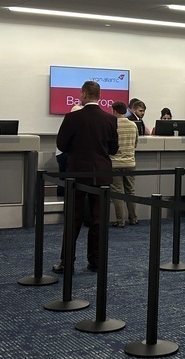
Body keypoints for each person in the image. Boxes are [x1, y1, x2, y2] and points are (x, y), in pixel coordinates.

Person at [55, 81, 119, 272]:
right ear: (99, 96)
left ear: (83, 95)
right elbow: (114, 149)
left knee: (73, 220)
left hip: (77, 174)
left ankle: (67, 263)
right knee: (99, 221)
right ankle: (96, 261)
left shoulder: (72, 118)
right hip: (102, 174)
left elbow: (62, 145)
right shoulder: (110, 119)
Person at [110, 101, 139, 227]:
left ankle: (120, 221)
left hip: (115, 163)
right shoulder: (133, 125)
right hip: (130, 162)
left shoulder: (111, 125)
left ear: (115, 111)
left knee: (118, 193)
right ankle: (133, 218)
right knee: (130, 191)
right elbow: (135, 143)